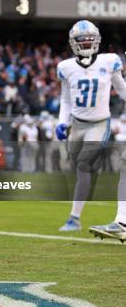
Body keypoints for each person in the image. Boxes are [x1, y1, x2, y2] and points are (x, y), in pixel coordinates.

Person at [54, 20, 126, 238]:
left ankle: (78, 217)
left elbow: (122, 90)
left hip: (99, 122)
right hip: (77, 123)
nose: (86, 42)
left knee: (85, 164)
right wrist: (62, 122)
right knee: (80, 169)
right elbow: (66, 100)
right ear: (73, 43)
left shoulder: (109, 61)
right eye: (81, 39)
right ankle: (75, 217)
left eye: (89, 38)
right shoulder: (65, 67)